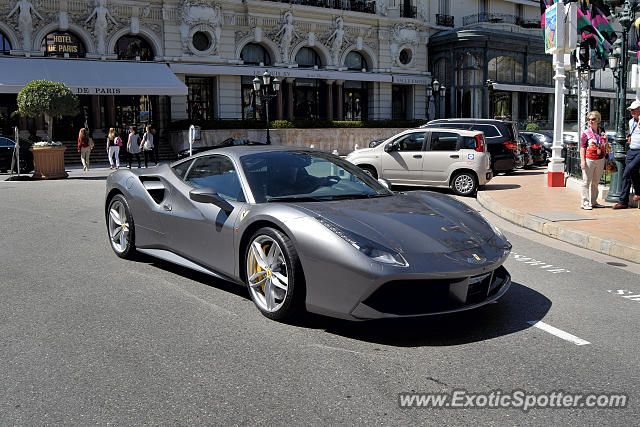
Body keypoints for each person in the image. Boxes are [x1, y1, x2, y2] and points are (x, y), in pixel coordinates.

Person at [613, 100, 640, 209]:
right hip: (632, 150)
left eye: (634, 109)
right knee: (627, 174)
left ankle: (638, 192)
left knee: (630, 169)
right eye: (631, 110)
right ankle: (623, 201)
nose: (632, 111)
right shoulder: (630, 122)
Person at [579, 111, 608, 210]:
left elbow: (605, 145)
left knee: (596, 182)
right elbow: (582, 147)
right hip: (589, 160)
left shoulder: (602, 131)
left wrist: (606, 139)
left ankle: (594, 201)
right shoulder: (586, 133)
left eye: (593, 119)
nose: (590, 121)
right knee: (586, 181)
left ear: (598, 120)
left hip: (600, 159)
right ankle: (585, 202)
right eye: (589, 119)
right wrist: (583, 161)